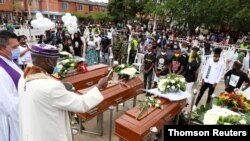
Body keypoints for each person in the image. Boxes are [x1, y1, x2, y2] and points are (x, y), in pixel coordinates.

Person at [18, 44, 108, 141]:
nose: (56, 63)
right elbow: (81, 103)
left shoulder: (23, 78)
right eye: (55, 60)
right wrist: (99, 86)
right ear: (47, 61)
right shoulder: (51, 87)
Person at [0, 30, 22, 141]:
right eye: (14, 47)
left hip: (19, 116)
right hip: (12, 121)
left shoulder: (9, 60)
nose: (17, 50)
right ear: (1, 48)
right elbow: (9, 104)